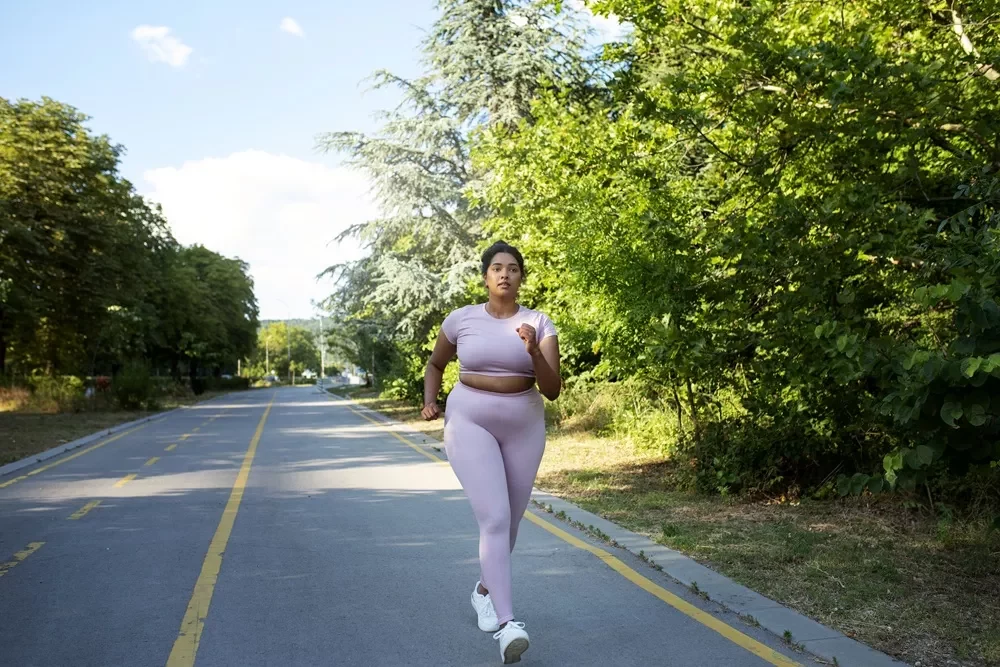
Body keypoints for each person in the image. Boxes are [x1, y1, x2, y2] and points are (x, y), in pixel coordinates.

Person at [422, 241, 561, 664]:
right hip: (470, 419)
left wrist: (534, 349)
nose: (505, 274)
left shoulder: (539, 322)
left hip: (524, 422)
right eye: (497, 268)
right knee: (495, 518)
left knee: (512, 523)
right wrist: (430, 400)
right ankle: (508, 624)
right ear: (485, 276)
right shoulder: (461, 319)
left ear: (521, 277)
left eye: (513, 268)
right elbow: (435, 365)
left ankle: (483, 591)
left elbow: (552, 389)